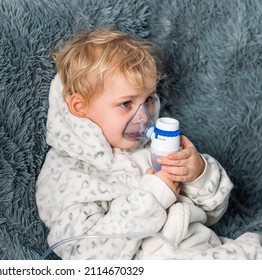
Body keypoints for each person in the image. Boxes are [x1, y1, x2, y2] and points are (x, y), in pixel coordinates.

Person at [35, 27, 262, 259]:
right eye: (126, 104)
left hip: (205, 250)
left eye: (149, 99)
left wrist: (198, 174)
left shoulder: (151, 149)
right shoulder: (65, 175)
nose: (144, 117)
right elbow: (85, 255)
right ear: (79, 107)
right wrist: (153, 195)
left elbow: (213, 213)